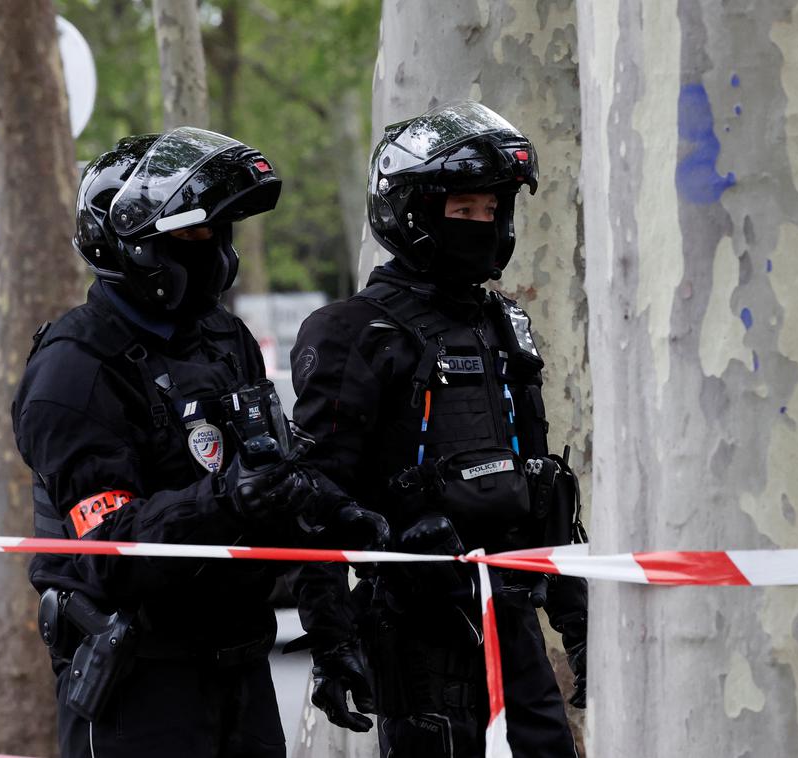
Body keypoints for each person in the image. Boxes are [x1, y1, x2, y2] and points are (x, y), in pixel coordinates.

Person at [13, 127, 387, 758]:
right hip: (141, 681)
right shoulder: (73, 369)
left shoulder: (223, 338)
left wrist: (333, 625)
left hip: (240, 666)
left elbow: (279, 480)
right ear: (132, 246)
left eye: (218, 231)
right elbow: (109, 550)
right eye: (190, 234)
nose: (211, 249)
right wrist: (225, 500)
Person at [289, 102, 588, 757]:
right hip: (414, 627)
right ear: (413, 213)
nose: (481, 226)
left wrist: (576, 620)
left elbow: (539, 481)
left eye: (491, 211)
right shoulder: (352, 331)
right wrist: (331, 642)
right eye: (462, 211)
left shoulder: (502, 323)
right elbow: (310, 498)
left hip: (511, 616)